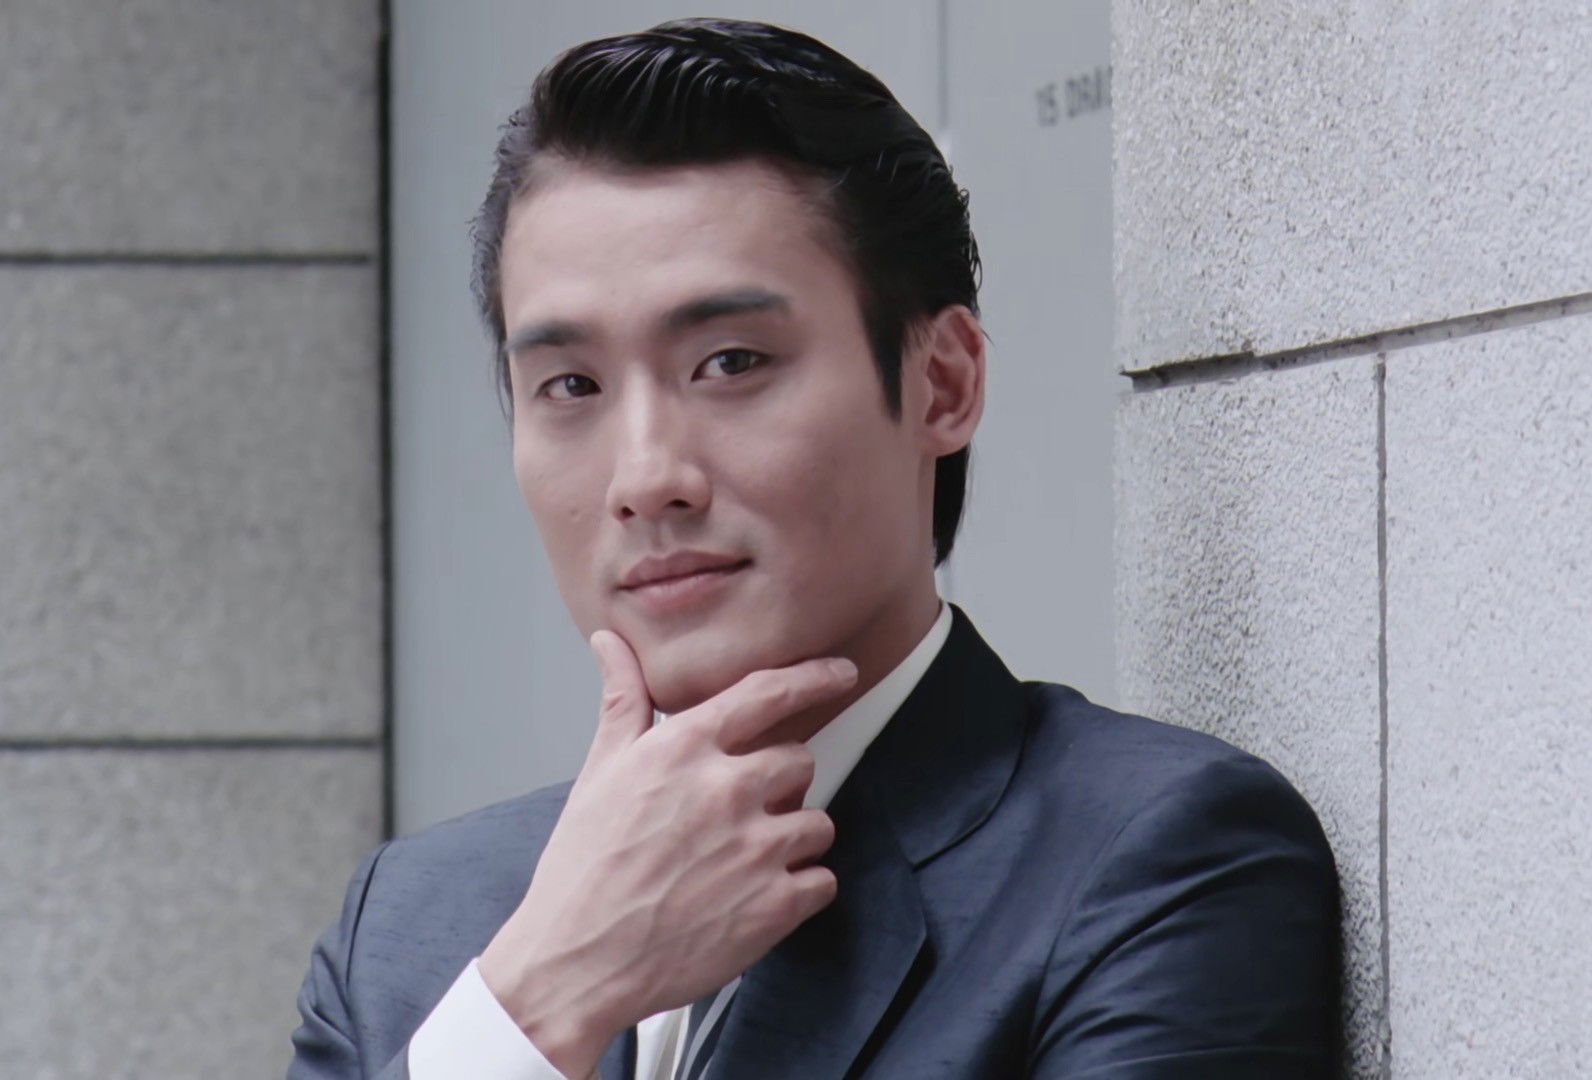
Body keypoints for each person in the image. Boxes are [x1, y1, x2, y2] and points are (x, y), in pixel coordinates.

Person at [287, 18, 1341, 1080]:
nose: (646, 477)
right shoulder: (408, 932)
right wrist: (541, 1002)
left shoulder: (1155, 861)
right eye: (572, 385)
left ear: (943, 383)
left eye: (731, 362)